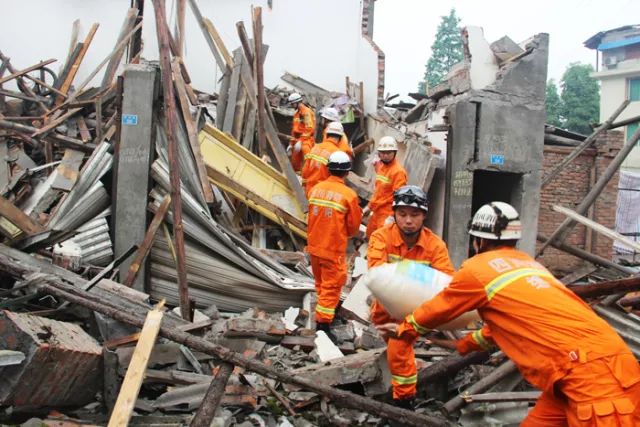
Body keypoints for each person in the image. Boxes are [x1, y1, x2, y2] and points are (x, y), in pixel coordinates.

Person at [381, 201, 640, 423]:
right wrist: (462, 344)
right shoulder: (530, 265)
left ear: (477, 240)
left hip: (594, 383)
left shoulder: (477, 269)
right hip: (593, 367)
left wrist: (405, 328)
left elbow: (438, 308)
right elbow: (498, 329)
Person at [367, 185, 454, 406]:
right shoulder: (381, 238)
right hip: (384, 310)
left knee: (400, 349)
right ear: (394, 214)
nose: (408, 220)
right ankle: (401, 386)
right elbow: (376, 270)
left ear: (424, 215)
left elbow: (446, 282)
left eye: (415, 215)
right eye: (402, 214)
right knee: (398, 353)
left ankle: (404, 400)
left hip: (415, 314)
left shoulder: (435, 245)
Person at [306, 151, 362, 342]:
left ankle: (325, 314)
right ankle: (323, 327)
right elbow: (354, 227)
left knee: (321, 284)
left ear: (328, 168)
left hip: (314, 246)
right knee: (332, 286)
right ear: (347, 172)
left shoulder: (315, 189)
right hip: (332, 249)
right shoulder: (349, 195)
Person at [364, 136, 407, 239]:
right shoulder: (381, 168)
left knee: (382, 241)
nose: (385, 155)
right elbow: (378, 192)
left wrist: (392, 216)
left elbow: (399, 198)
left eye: (388, 153)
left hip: (387, 213)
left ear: (394, 153)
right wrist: (369, 207)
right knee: (370, 237)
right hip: (376, 212)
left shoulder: (398, 172)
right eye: (383, 153)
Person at [301, 121, 344, 197]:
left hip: (309, 190)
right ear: (340, 138)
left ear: (327, 134)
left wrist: (304, 186)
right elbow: (336, 179)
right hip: (323, 194)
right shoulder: (337, 154)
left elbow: (305, 170)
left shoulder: (315, 147)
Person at [287, 92, 316, 172]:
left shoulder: (306, 112)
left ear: (297, 102)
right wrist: (291, 144)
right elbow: (294, 130)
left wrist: (301, 141)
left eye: (292, 104)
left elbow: (310, 128)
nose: (292, 106)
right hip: (297, 140)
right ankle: (297, 178)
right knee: (294, 162)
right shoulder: (296, 114)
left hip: (306, 141)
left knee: (308, 160)